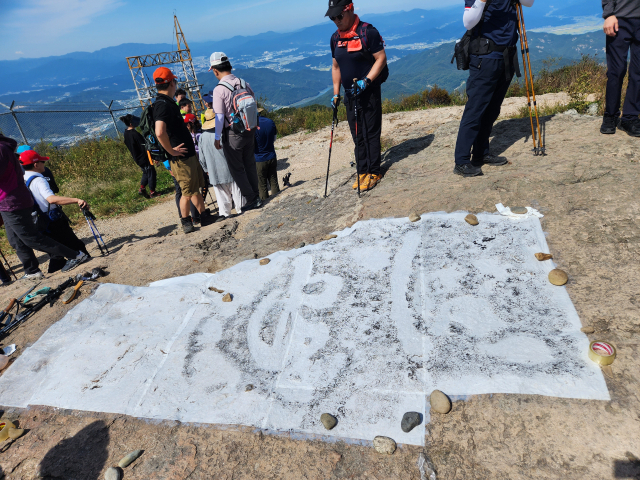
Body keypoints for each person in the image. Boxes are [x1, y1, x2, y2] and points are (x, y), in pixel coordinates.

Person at [453, 0, 534, 177]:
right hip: (485, 58)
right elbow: (468, 22)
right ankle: (461, 161)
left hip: (506, 55)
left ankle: (481, 153)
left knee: (492, 109)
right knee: (475, 109)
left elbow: (529, 2)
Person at [0, 135, 88, 279]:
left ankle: (76, 255)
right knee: (15, 239)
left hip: (12, 201)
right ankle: (32, 271)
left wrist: (75, 200)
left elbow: (51, 198)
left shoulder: (1, 149)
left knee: (31, 238)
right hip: (5, 201)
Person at [328, 0, 388, 193]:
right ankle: (362, 170)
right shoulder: (335, 38)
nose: (336, 20)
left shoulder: (368, 32)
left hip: (368, 92)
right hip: (349, 94)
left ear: (350, 9)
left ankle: (374, 171)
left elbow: (381, 59)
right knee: (357, 133)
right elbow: (336, 66)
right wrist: (336, 93)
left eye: (339, 16)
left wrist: (367, 81)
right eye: (332, 17)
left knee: (371, 132)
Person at [152, 67, 211, 234]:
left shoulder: (168, 102)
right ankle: (186, 222)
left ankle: (204, 216)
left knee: (194, 187)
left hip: (187, 155)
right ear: (171, 82)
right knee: (187, 191)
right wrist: (171, 151)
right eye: (175, 81)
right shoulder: (162, 105)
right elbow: (159, 131)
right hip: (181, 158)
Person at [20, 150, 91, 274]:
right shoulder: (39, 180)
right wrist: (76, 200)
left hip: (38, 221)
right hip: (53, 220)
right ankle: (90, 265)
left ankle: (53, 272)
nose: (44, 164)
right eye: (42, 162)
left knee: (56, 253)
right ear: (36, 165)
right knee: (76, 245)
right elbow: (51, 199)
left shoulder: (23, 179)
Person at [210, 52, 263, 211]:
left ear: (215, 70)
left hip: (233, 134)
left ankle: (252, 199)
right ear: (229, 66)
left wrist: (217, 138)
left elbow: (219, 117)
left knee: (237, 169)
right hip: (249, 129)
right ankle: (257, 196)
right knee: (250, 164)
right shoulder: (243, 83)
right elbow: (253, 103)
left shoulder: (219, 90)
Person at [601, 0, 640, 136]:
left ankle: (630, 118)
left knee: (638, 72)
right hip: (619, 18)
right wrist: (609, 14)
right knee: (616, 71)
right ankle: (610, 115)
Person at [199, 109, 246, 218]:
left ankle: (225, 216)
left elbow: (201, 158)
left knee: (222, 199)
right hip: (230, 169)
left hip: (214, 172)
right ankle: (242, 212)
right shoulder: (223, 132)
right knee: (238, 194)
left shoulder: (202, 137)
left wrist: (206, 170)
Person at [120, 114, 159, 198]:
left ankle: (142, 188)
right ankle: (152, 192)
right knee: (151, 173)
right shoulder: (135, 134)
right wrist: (154, 155)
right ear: (131, 123)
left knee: (145, 172)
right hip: (144, 157)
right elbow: (145, 147)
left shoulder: (126, 133)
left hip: (137, 158)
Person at [254, 108, 280, 201]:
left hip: (259, 158)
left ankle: (266, 204)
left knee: (262, 185)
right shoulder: (270, 122)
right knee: (274, 181)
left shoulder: (252, 126)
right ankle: (279, 200)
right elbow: (274, 139)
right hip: (272, 155)